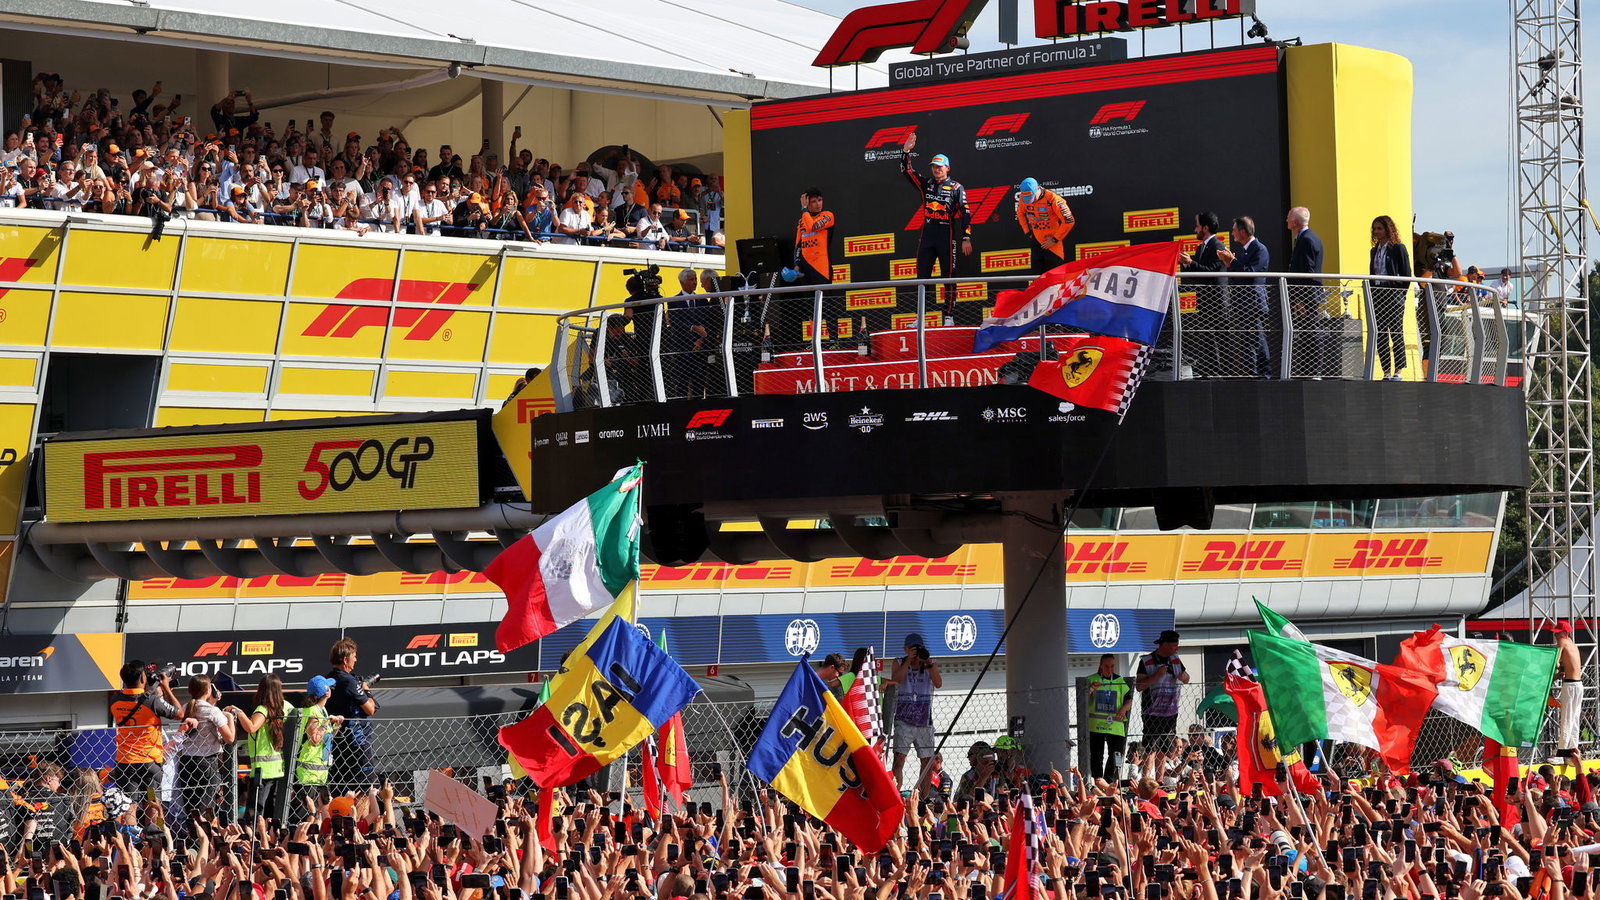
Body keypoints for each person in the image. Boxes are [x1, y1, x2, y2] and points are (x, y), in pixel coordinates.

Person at [898, 132, 971, 317]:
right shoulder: (926, 184)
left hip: (946, 236)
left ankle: (948, 316)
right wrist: (906, 152)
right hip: (928, 236)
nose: (936, 170)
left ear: (947, 168)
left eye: (939, 167)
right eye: (934, 167)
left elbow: (966, 213)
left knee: (948, 277)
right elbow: (908, 172)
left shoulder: (956, 187)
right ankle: (920, 317)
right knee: (922, 278)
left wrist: (966, 237)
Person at [107, 661, 186, 805]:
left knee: (129, 804)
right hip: (149, 763)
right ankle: (155, 827)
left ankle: (130, 828)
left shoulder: (115, 700)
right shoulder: (152, 701)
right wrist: (166, 687)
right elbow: (179, 713)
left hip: (126, 761)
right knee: (152, 802)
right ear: (143, 679)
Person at [227, 673, 292, 824]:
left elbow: (251, 727)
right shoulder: (286, 707)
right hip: (278, 769)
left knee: (256, 809)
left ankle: (255, 836)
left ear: (262, 690)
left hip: (262, 770)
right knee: (270, 810)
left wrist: (239, 712)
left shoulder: (262, 710)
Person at [174, 674, 234, 826]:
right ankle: (207, 838)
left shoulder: (187, 708)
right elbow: (229, 738)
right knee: (207, 806)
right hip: (207, 761)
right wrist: (230, 718)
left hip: (187, 761)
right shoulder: (213, 711)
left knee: (191, 806)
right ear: (208, 690)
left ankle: (193, 838)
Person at [1217, 216, 1272, 378]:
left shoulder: (1259, 249)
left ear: (1242, 231)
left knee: (1257, 338)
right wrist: (1229, 263)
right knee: (1248, 341)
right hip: (1242, 303)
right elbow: (1238, 276)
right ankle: (1251, 373)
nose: (1232, 233)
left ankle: (1264, 374)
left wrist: (1232, 261)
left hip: (1254, 303)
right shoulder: (1244, 250)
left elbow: (1251, 274)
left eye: (1234, 230)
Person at [887, 632, 942, 791]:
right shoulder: (898, 662)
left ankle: (923, 798)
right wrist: (908, 661)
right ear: (906, 649)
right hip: (903, 719)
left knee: (926, 762)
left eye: (919, 648)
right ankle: (896, 794)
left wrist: (929, 665)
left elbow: (938, 683)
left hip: (924, 720)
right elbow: (896, 680)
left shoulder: (930, 663)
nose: (917, 652)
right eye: (913, 649)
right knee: (899, 760)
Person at [325, 638, 378, 791]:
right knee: (364, 790)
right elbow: (370, 709)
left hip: (336, 742)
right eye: (354, 656)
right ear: (345, 660)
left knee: (340, 789)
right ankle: (359, 816)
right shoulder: (349, 681)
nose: (356, 659)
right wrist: (366, 689)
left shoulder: (328, 679)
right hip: (357, 742)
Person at [1178, 211, 1226, 377]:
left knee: (1221, 339)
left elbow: (1211, 272)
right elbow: (1197, 272)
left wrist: (1191, 262)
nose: (1194, 230)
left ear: (1205, 228)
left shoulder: (1217, 246)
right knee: (1207, 339)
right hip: (1205, 301)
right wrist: (1185, 263)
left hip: (1217, 302)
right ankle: (1211, 371)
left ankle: (1223, 374)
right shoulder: (1201, 248)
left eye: (1197, 226)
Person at [289, 675, 341, 821]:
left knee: (320, 812)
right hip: (308, 771)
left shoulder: (322, 711)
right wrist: (326, 722)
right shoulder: (313, 712)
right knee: (306, 813)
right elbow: (314, 740)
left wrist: (336, 725)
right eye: (329, 687)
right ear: (326, 692)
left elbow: (326, 737)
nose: (331, 689)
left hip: (320, 771)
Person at [1369, 214, 1413, 380]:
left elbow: (1406, 273)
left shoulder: (1398, 248)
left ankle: (1398, 371)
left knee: (1396, 332)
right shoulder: (1374, 251)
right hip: (1378, 294)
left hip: (1393, 294)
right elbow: (1372, 273)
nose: (1376, 232)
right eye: (1375, 229)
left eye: (1379, 228)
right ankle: (1386, 370)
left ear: (1387, 229)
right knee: (1381, 333)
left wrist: (1400, 293)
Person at [1285, 206, 1327, 375]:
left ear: (1294, 222)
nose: (1286, 220)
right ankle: (1307, 369)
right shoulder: (1308, 238)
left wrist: (1301, 299)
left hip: (1307, 296)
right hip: (1307, 295)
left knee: (1311, 331)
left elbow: (1307, 272)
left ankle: (1314, 370)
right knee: (1306, 332)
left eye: (1288, 217)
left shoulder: (1307, 240)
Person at [1135, 630, 1189, 753]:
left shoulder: (1175, 660)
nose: (1177, 649)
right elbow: (1139, 686)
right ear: (1164, 645)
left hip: (1170, 711)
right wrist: (1157, 675)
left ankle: (1160, 773)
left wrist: (1182, 676)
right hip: (1152, 711)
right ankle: (1147, 773)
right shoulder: (1146, 661)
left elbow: (1186, 678)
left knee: (1165, 750)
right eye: (1174, 645)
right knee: (1151, 749)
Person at [1085, 653, 1132, 783]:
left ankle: (1109, 782)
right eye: (1106, 666)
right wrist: (1090, 690)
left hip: (1115, 726)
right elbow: (1082, 701)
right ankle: (1097, 781)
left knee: (1116, 755)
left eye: (1112, 666)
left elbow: (1129, 700)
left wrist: (1124, 708)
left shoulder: (1119, 680)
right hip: (1096, 725)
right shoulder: (1091, 679)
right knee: (1096, 756)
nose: (1110, 669)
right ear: (1100, 665)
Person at [1016, 177, 1075, 273]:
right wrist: (1028, 232)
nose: (1029, 201)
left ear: (1038, 189)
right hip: (1036, 240)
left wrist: (1054, 239)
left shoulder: (1053, 198)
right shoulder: (1023, 197)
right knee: (1036, 278)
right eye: (1026, 199)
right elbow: (1020, 213)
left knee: (1056, 278)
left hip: (1053, 244)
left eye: (1031, 198)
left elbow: (1069, 220)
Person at [1553, 620, 1582, 761]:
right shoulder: (1573, 645)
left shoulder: (1563, 642)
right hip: (1578, 685)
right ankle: (1572, 755)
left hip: (1570, 685)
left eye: (1558, 633)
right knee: (1574, 719)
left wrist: (1558, 668)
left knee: (1566, 719)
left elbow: (1555, 661)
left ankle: (1561, 755)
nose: (1556, 636)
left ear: (1565, 633)